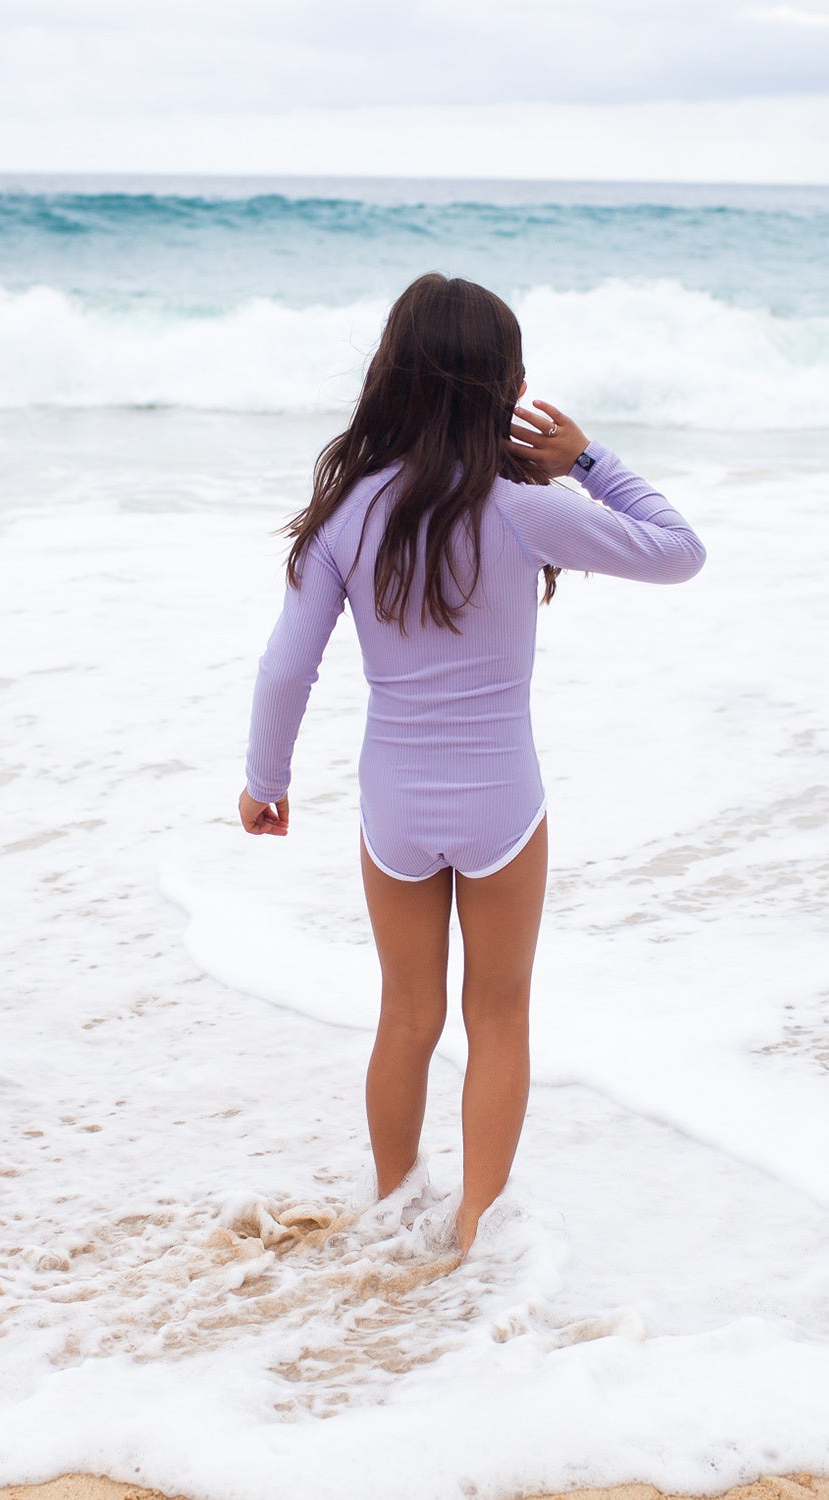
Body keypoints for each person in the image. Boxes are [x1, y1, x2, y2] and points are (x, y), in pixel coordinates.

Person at [239, 273, 705, 1253]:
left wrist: (266, 783)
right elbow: (678, 551)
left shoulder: (345, 511)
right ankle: (470, 1236)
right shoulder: (522, 510)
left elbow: (287, 668)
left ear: (392, 376)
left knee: (406, 1015)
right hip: (503, 800)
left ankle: (392, 1207)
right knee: (497, 1017)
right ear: (502, 387)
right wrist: (590, 461)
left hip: (394, 804)